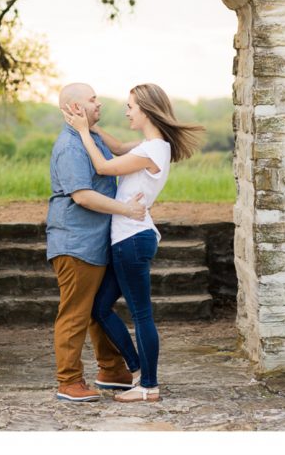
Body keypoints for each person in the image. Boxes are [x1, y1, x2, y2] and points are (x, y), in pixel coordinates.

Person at [63, 83, 204, 403]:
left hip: (132, 238)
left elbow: (103, 166)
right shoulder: (151, 145)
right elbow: (114, 147)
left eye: (130, 106)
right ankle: (139, 365)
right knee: (99, 308)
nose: (126, 111)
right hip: (128, 237)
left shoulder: (152, 151)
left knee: (141, 314)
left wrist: (84, 133)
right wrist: (90, 123)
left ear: (146, 110)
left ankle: (148, 385)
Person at [48, 82, 146, 403]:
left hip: (93, 243)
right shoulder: (71, 147)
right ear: (75, 108)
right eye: (92, 100)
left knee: (95, 310)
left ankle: (112, 370)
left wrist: (157, 140)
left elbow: (119, 149)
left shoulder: (90, 137)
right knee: (75, 313)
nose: (99, 104)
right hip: (75, 243)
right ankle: (69, 381)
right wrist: (127, 210)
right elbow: (82, 196)